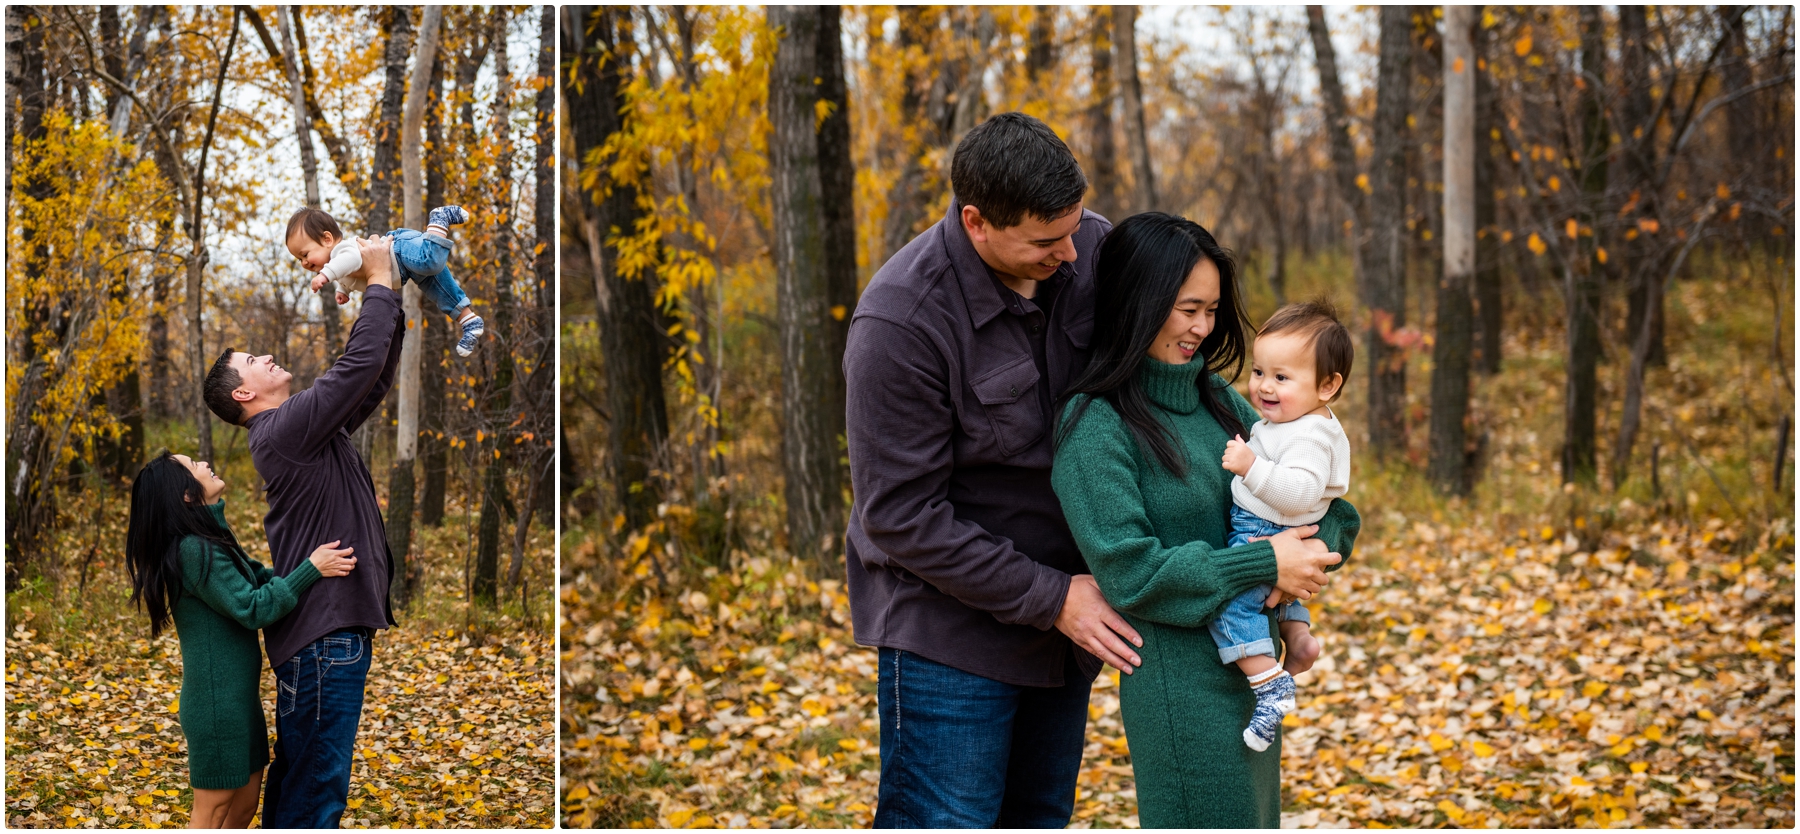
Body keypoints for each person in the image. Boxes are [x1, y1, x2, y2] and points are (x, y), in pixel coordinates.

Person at [844, 112, 1142, 828]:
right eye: (1046, 240)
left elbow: (1160, 371)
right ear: (976, 221)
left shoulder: (1091, 248)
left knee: (1038, 818)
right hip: (949, 636)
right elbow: (901, 517)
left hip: (1065, 635)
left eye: (1074, 226)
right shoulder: (900, 323)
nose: (1072, 252)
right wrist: (1052, 598)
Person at [1049, 212, 1359, 827]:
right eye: (1187, 308)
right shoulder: (1095, 422)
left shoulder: (1220, 399)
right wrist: (1268, 560)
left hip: (1252, 671)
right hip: (1178, 688)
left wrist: (1307, 552)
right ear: (1139, 300)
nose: (1202, 327)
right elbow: (1130, 572)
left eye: (1212, 310)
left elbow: (1336, 511)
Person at [201, 234, 404, 828]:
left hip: (325, 640)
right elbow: (354, 368)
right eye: (253, 362)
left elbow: (370, 380)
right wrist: (380, 284)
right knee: (313, 803)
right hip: (324, 642)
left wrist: (383, 291)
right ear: (245, 393)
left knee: (301, 794)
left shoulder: (302, 433)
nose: (266, 357)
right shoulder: (282, 431)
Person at [124, 452, 357, 829]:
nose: (203, 464)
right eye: (192, 466)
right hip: (216, 708)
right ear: (185, 493)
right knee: (212, 813)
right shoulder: (193, 549)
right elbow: (252, 607)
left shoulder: (209, 537)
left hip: (237, 702)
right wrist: (310, 569)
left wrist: (307, 570)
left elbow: (256, 577)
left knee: (243, 808)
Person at [1215, 301, 1354, 751]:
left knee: (1233, 605)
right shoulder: (1297, 421)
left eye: (1281, 377)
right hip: (1278, 531)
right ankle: (1299, 640)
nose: (1263, 388)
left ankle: (1268, 684)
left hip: (1262, 529)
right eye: (1259, 372)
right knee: (1276, 601)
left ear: (1327, 386)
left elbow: (1298, 493)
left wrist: (1250, 466)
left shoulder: (1309, 435)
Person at [286, 205, 486, 356]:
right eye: (299, 259)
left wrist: (324, 275)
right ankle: (470, 322)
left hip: (399, 250)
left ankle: (440, 218)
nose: (304, 263)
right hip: (406, 270)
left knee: (431, 261)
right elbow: (347, 272)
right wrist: (342, 290)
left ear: (327, 239)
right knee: (441, 292)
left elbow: (351, 260)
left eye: (305, 254)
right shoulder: (339, 263)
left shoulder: (342, 250)